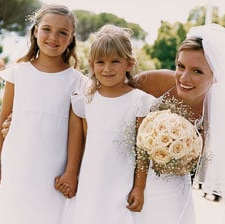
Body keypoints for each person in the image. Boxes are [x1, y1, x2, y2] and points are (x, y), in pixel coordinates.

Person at [135, 23, 225, 224]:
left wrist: (181, 156)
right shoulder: (153, 81)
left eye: (197, 71)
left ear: (216, 76)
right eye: (180, 66)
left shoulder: (220, 113)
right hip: (128, 182)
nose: (184, 78)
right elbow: (110, 100)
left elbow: (209, 161)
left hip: (172, 192)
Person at [0, 4, 87, 224]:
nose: (53, 37)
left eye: (62, 33)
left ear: (71, 39)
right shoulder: (18, 72)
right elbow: (4, 117)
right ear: (35, 31)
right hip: (17, 161)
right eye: (47, 29)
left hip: (53, 166)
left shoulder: (77, 81)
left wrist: (71, 171)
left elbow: (75, 131)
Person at [55, 24, 156, 224]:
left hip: (122, 183)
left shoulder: (140, 101)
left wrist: (139, 187)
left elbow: (142, 150)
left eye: (115, 61)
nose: (107, 68)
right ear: (92, 65)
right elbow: (82, 143)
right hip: (91, 180)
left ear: (129, 64)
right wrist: (71, 175)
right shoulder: (85, 100)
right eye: (100, 62)